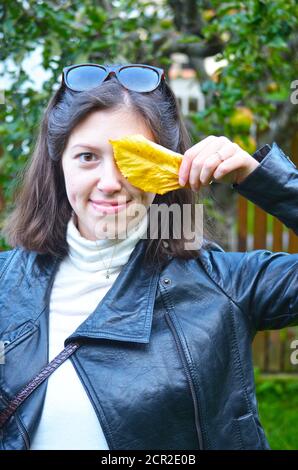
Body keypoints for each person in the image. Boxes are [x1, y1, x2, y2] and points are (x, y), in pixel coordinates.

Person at [0, 63, 297, 451]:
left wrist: (260, 177)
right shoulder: (7, 283)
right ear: (59, 164)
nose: (109, 183)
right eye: (87, 157)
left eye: (130, 160)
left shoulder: (225, 286)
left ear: (167, 167)